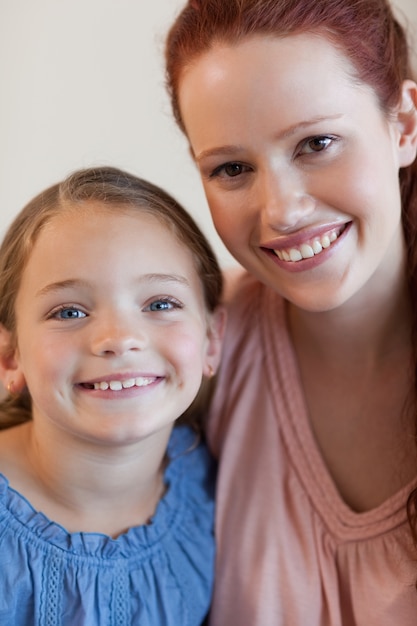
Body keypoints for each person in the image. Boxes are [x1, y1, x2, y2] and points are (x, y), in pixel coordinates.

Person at [164, 0, 417, 623]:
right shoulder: (192, 342)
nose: (280, 211)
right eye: (232, 168)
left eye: (317, 143)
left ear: (404, 125)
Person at [0, 165, 225, 626]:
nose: (120, 339)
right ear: (9, 357)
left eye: (160, 304)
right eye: (69, 311)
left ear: (211, 342)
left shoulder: (210, 492)